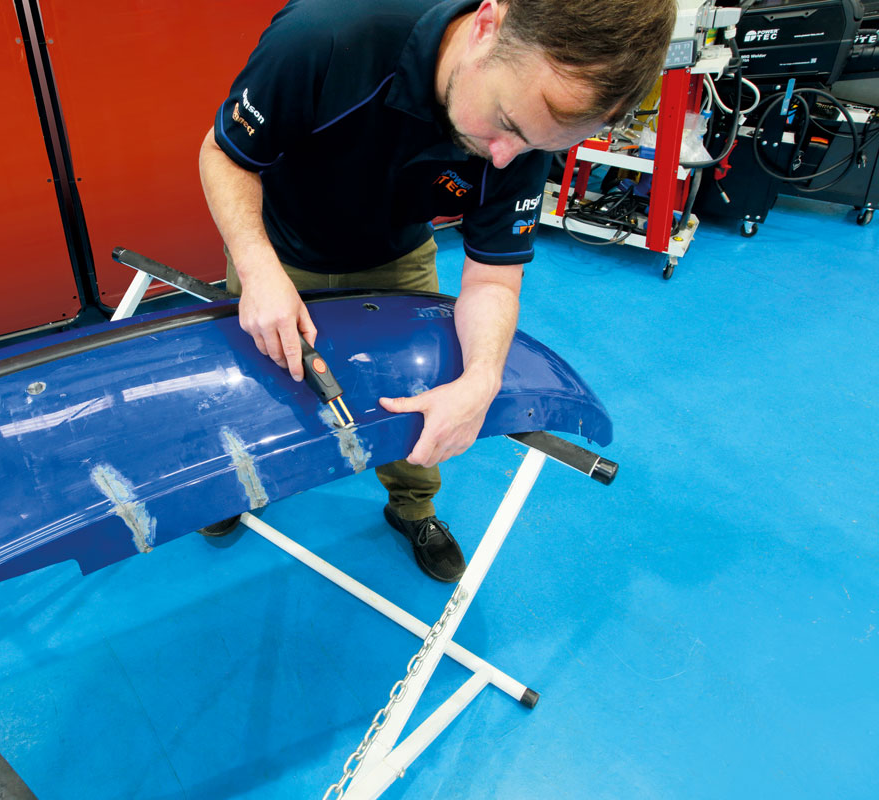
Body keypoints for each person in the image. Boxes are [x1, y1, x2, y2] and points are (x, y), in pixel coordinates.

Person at [198, 0, 675, 582]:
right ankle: (236, 485)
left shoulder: (524, 131)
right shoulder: (324, 34)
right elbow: (224, 155)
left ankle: (413, 506)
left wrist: (481, 380)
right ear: (486, 26)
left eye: (535, 146)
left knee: (423, 390)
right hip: (274, 250)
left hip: (396, 257)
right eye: (507, 123)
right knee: (260, 383)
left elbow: (493, 277)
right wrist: (256, 270)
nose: (505, 156)